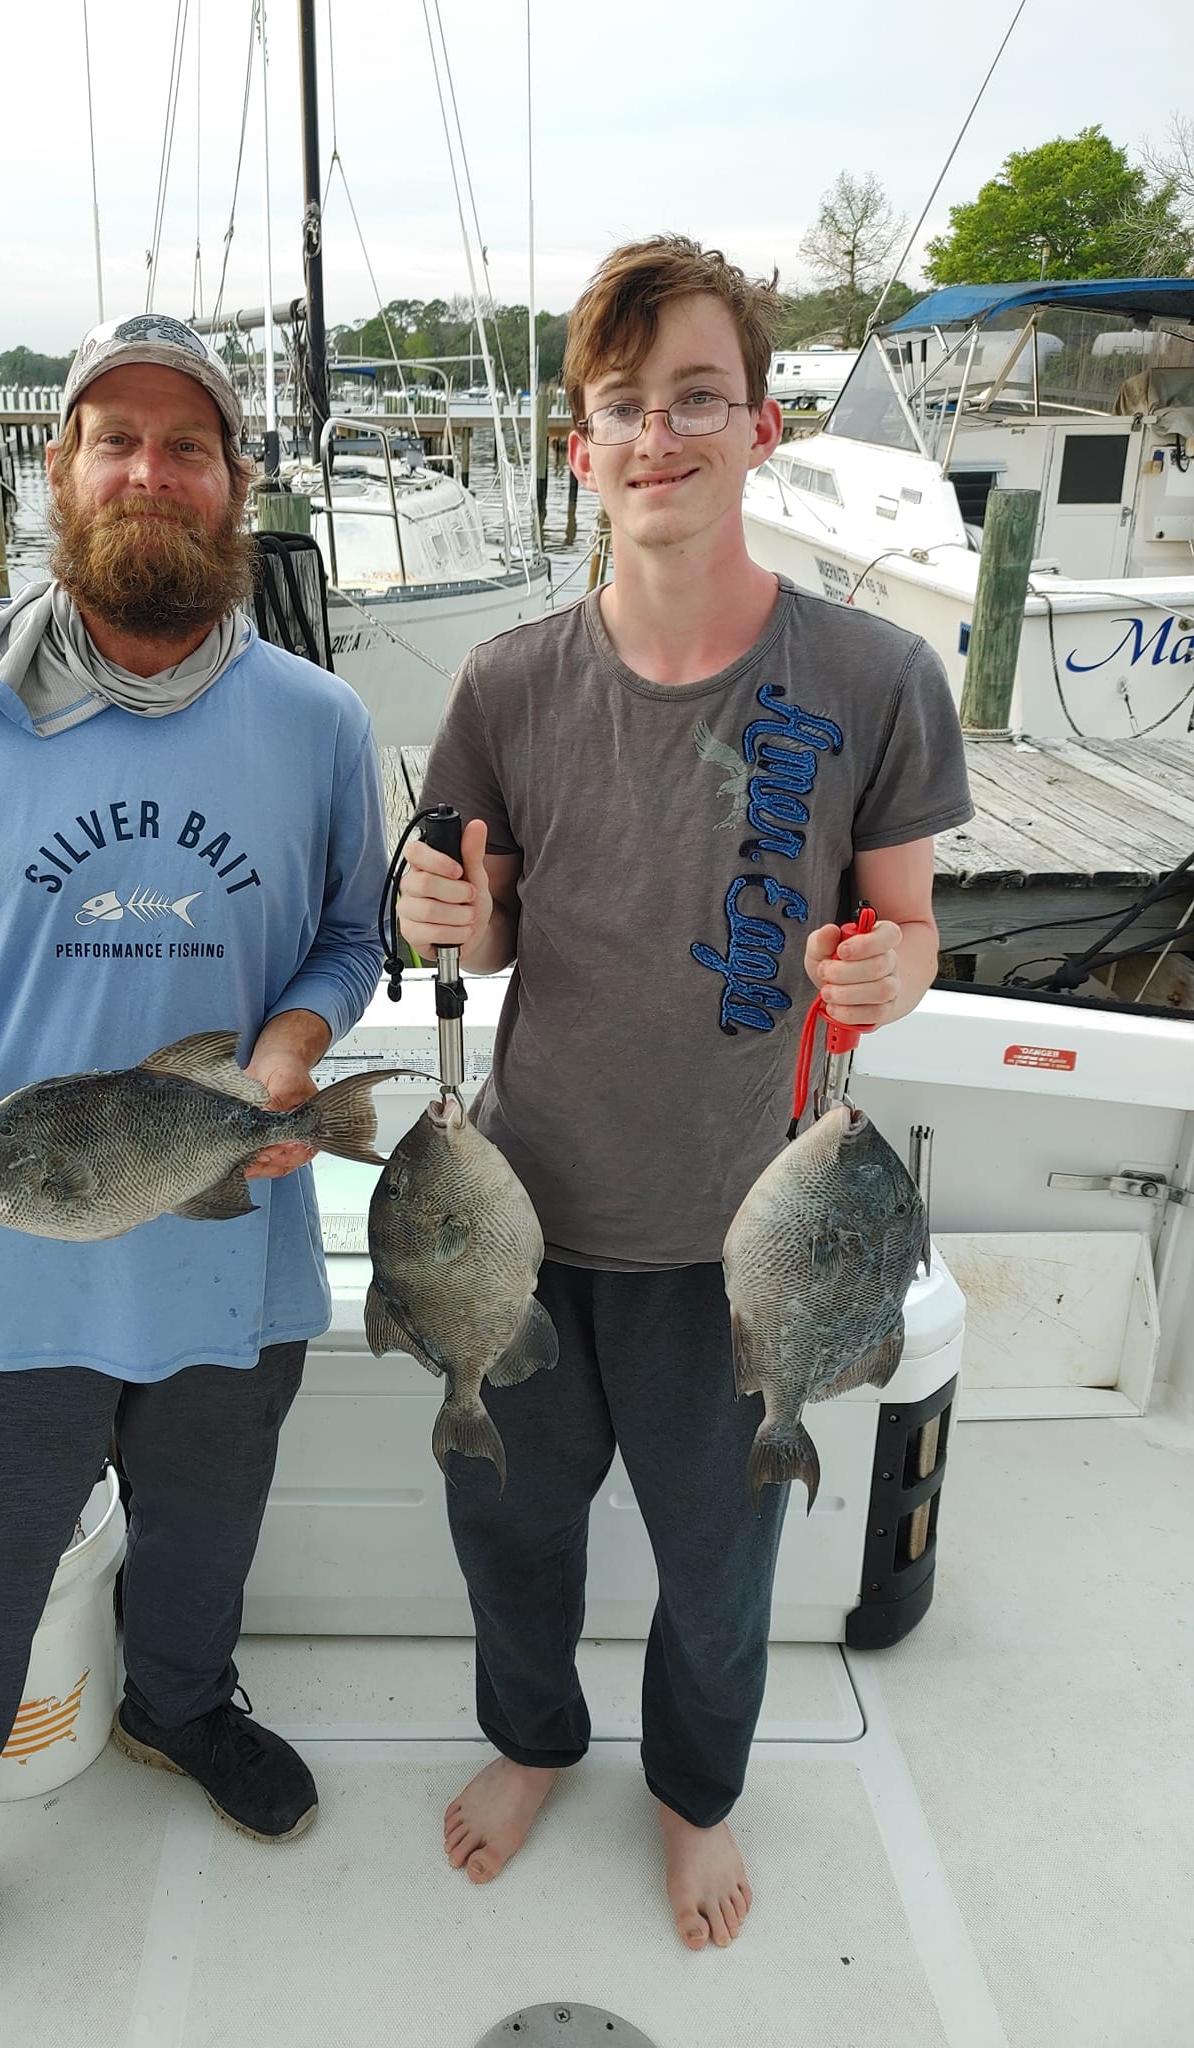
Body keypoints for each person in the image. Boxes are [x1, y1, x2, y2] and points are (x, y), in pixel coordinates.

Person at [0, 313, 387, 2048]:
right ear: (59, 472)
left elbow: (349, 936)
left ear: (237, 489)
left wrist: (295, 1053)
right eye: (116, 439)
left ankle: (180, 1704)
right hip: (1, 1238)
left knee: (205, 1527)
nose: (151, 474)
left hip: (218, 1229)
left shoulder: (321, 720)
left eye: (189, 448)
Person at [397, 236, 973, 1952]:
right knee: (505, 1521)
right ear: (582, 446)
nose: (661, 435)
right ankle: (534, 1740)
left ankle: (692, 1793)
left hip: (752, 1240)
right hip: (525, 1225)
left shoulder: (876, 680)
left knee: (721, 1580)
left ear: (761, 424)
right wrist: (444, 910)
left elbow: (913, 924)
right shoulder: (503, 683)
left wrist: (894, 969)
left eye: (696, 400)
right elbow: (479, 927)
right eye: (626, 408)